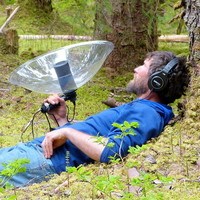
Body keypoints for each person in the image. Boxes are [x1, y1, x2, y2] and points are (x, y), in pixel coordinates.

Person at [0, 51, 190, 188]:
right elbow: (89, 142)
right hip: (38, 152)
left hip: (45, 160)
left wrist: (67, 131)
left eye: (144, 66)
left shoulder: (148, 113)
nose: (136, 68)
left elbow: (111, 151)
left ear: (157, 80)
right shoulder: (143, 108)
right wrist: (62, 121)